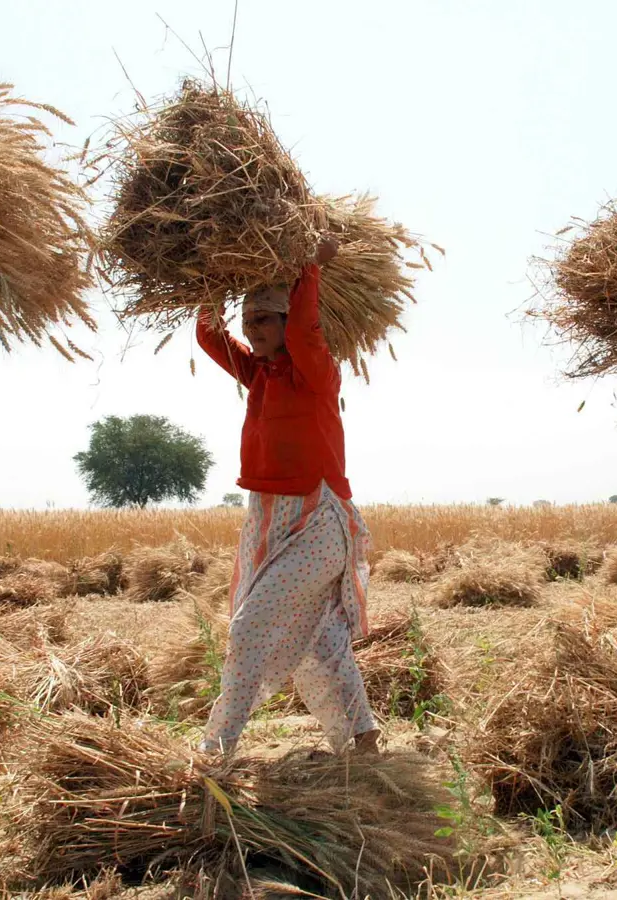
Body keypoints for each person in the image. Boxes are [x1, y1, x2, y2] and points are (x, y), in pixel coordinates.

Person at [193, 235, 380, 756]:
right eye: (248, 321)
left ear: (285, 322)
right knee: (320, 640)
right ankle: (362, 738)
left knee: (250, 627)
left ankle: (217, 747)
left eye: (263, 321)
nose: (252, 332)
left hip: (319, 521)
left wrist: (310, 269)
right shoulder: (258, 375)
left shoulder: (316, 372)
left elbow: (305, 328)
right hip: (268, 520)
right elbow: (211, 337)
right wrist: (206, 283)